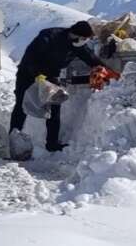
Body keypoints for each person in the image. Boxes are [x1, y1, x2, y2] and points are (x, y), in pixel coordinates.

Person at [10, 20, 105, 153]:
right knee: (21, 105)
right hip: (28, 74)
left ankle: (52, 144)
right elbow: (31, 57)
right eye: (84, 38)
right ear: (74, 34)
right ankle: (14, 141)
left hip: (50, 76)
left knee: (55, 107)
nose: (84, 42)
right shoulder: (49, 37)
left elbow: (90, 57)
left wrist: (103, 69)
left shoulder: (77, 45)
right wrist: (37, 74)